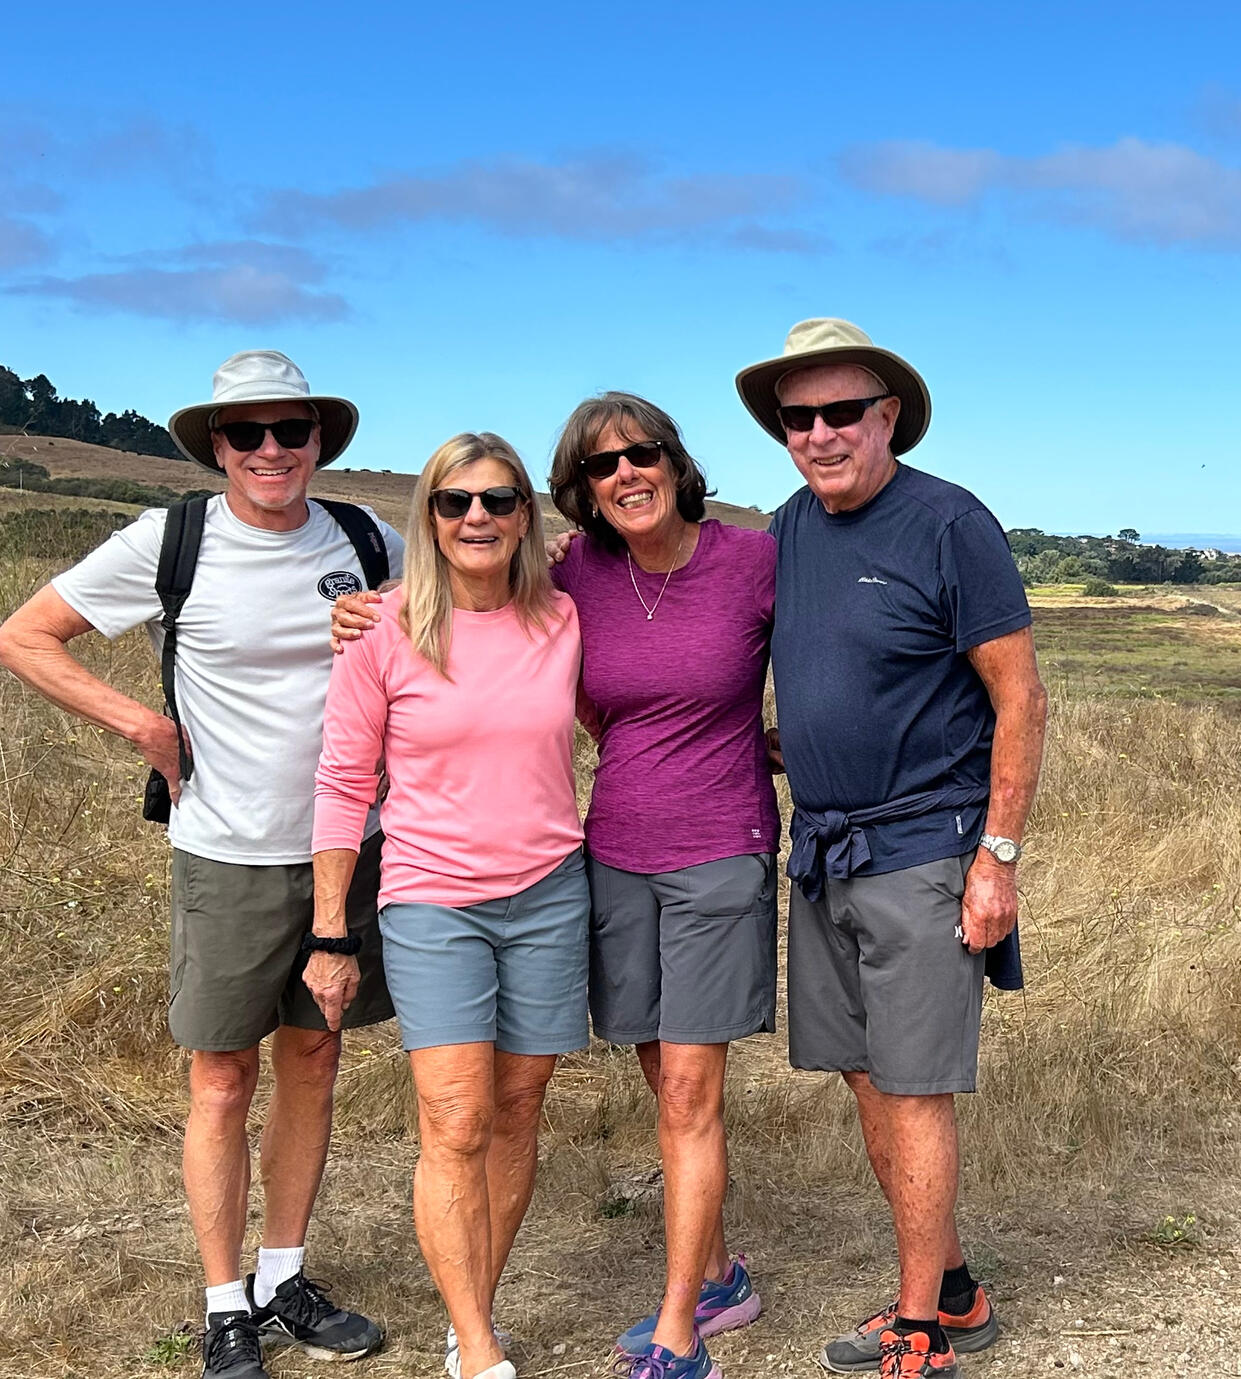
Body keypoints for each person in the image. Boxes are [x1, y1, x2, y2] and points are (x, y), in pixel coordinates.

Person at [333, 395, 778, 1379]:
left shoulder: (748, 561)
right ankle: (709, 1269)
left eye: (641, 453)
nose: (625, 473)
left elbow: (841, 658)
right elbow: (487, 634)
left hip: (706, 853)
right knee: (653, 1078)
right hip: (606, 855)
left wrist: (814, 751)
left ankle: (680, 1324)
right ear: (577, 493)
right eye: (599, 465)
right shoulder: (577, 577)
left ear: (673, 458)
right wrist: (365, 608)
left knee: (683, 1092)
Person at [0, 351, 400, 1378]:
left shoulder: (368, 539)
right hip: (223, 851)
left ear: (318, 439)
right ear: (216, 446)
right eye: (247, 433)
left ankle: (283, 1275)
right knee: (221, 1076)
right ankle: (225, 1302)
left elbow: (459, 627)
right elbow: (27, 635)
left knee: (313, 1059)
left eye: (291, 430)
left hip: (349, 850)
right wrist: (141, 722)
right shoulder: (170, 540)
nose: (271, 450)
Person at [735, 319, 1049, 1379]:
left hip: (927, 849)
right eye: (798, 417)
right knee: (867, 1077)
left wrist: (996, 855)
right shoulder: (784, 528)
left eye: (840, 413)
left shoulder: (948, 523)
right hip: (823, 853)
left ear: (887, 418)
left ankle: (915, 1324)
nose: (819, 434)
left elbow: (1018, 696)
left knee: (912, 1086)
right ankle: (953, 1290)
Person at [311, 432, 588, 1379]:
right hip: (433, 900)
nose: (477, 517)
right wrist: (328, 927)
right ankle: (474, 1347)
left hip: (552, 891)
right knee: (456, 1118)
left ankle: (479, 1305)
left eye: (499, 500)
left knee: (519, 1107)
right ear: (427, 515)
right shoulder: (383, 628)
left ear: (525, 516)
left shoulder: (564, 618)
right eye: (454, 501)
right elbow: (344, 781)